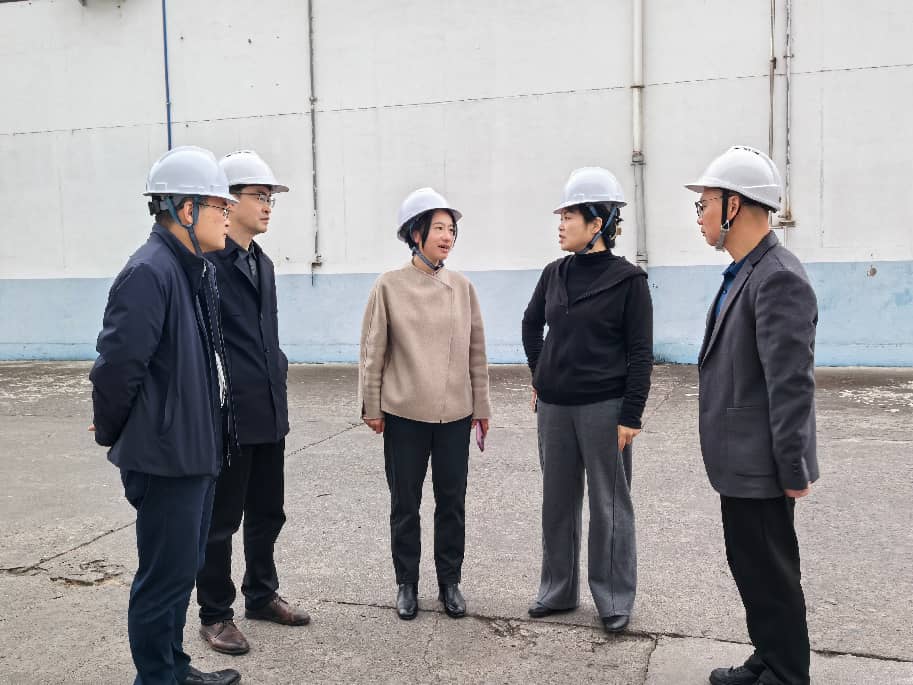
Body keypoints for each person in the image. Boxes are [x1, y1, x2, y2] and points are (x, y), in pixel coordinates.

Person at [90, 146, 241, 685]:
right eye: (220, 206)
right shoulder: (149, 273)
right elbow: (116, 368)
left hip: (195, 452)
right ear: (185, 210)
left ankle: (174, 669)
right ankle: (156, 678)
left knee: (182, 573)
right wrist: (116, 432)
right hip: (166, 458)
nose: (228, 216)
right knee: (162, 580)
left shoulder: (192, 269)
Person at [685, 146, 818, 685]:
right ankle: (768, 657)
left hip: (763, 466)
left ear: (734, 205)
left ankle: (787, 674)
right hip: (739, 464)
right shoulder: (745, 271)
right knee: (752, 569)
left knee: (772, 574)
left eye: (705, 204)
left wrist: (792, 469)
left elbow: (791, 386)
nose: (700, 215)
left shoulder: (778, 277)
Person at [521, 167, 653, 634]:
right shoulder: (554, 273)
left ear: (598, 223)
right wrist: (541, 375)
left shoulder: (629, 281)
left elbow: (640, 352)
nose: (560, 224)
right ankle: (557, 590)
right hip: (554, 409)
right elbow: (530, 324)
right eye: (560, 216)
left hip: (605, 407)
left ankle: (614, 598)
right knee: (557, 502)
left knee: (609, 504)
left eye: (569, 216)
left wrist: (631, 414)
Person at [358, 187, 491, 621]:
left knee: (452, 501)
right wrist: (372, 406)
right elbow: (373, 350)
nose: (447, 237)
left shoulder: (463, 287)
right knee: (405, 504)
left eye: (451, 230)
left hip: (455, 414)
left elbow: (476, 352)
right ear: (415, 233)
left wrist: (482, 407)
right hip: (404, 414)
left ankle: (450, 581)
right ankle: (407, 583)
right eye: (438, 228)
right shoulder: (389, 286)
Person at [196, 150, 310, 655]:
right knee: (221, 520)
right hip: (228, 414)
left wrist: (277, 373)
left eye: (270, 198)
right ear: (228, 201)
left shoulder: (261, 262)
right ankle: (215, 614)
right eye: (258, 196)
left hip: (267, 408)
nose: (267, 206)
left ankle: (261, 594)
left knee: (268, 511)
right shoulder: (207, 264)